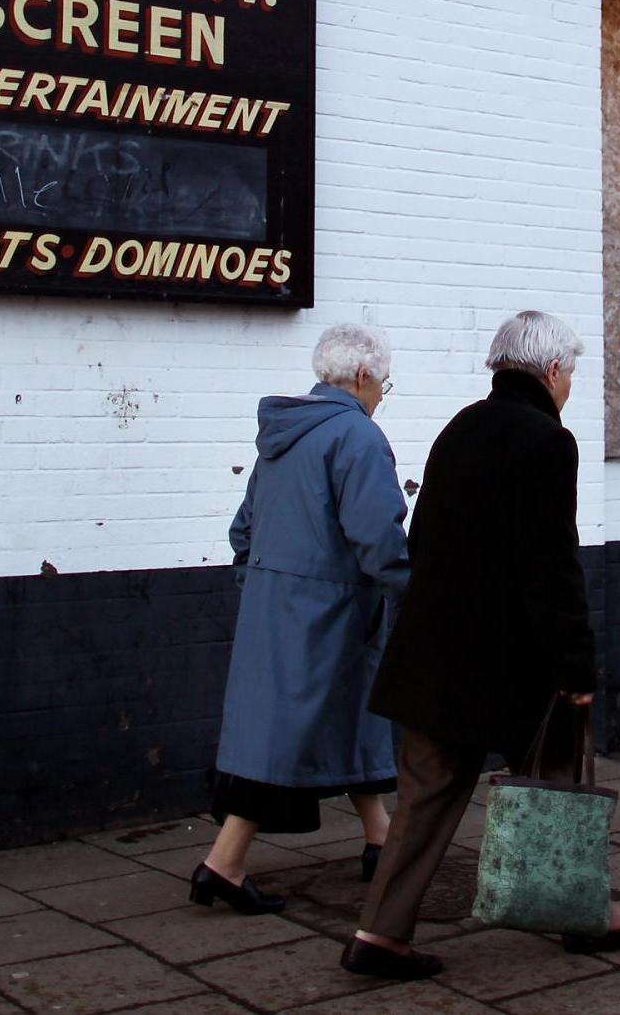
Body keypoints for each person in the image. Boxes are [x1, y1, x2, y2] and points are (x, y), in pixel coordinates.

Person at [342, 310, 620, 979]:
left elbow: (423, 540)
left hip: (433, 656)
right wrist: (576, 665)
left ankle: (378, 932)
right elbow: (550, 567)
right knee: (557, 775)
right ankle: (585, 914)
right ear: (550, 371)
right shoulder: (547, 440)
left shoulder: (460, 427)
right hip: (511, 664)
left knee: (424, 797)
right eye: (570, 372)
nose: (570, 385)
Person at [192, 323, 411, 914]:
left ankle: (380, 837)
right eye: (384, 382)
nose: (383, 393)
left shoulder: (284, 436)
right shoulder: (358, 438)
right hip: (333, 610)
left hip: (276, 605)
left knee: (344, 717)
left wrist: (264, 584)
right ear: (363, 376)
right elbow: (376, 538)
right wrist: (412, 590)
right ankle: (223, 864)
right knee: (286, 736)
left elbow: (243, 529)